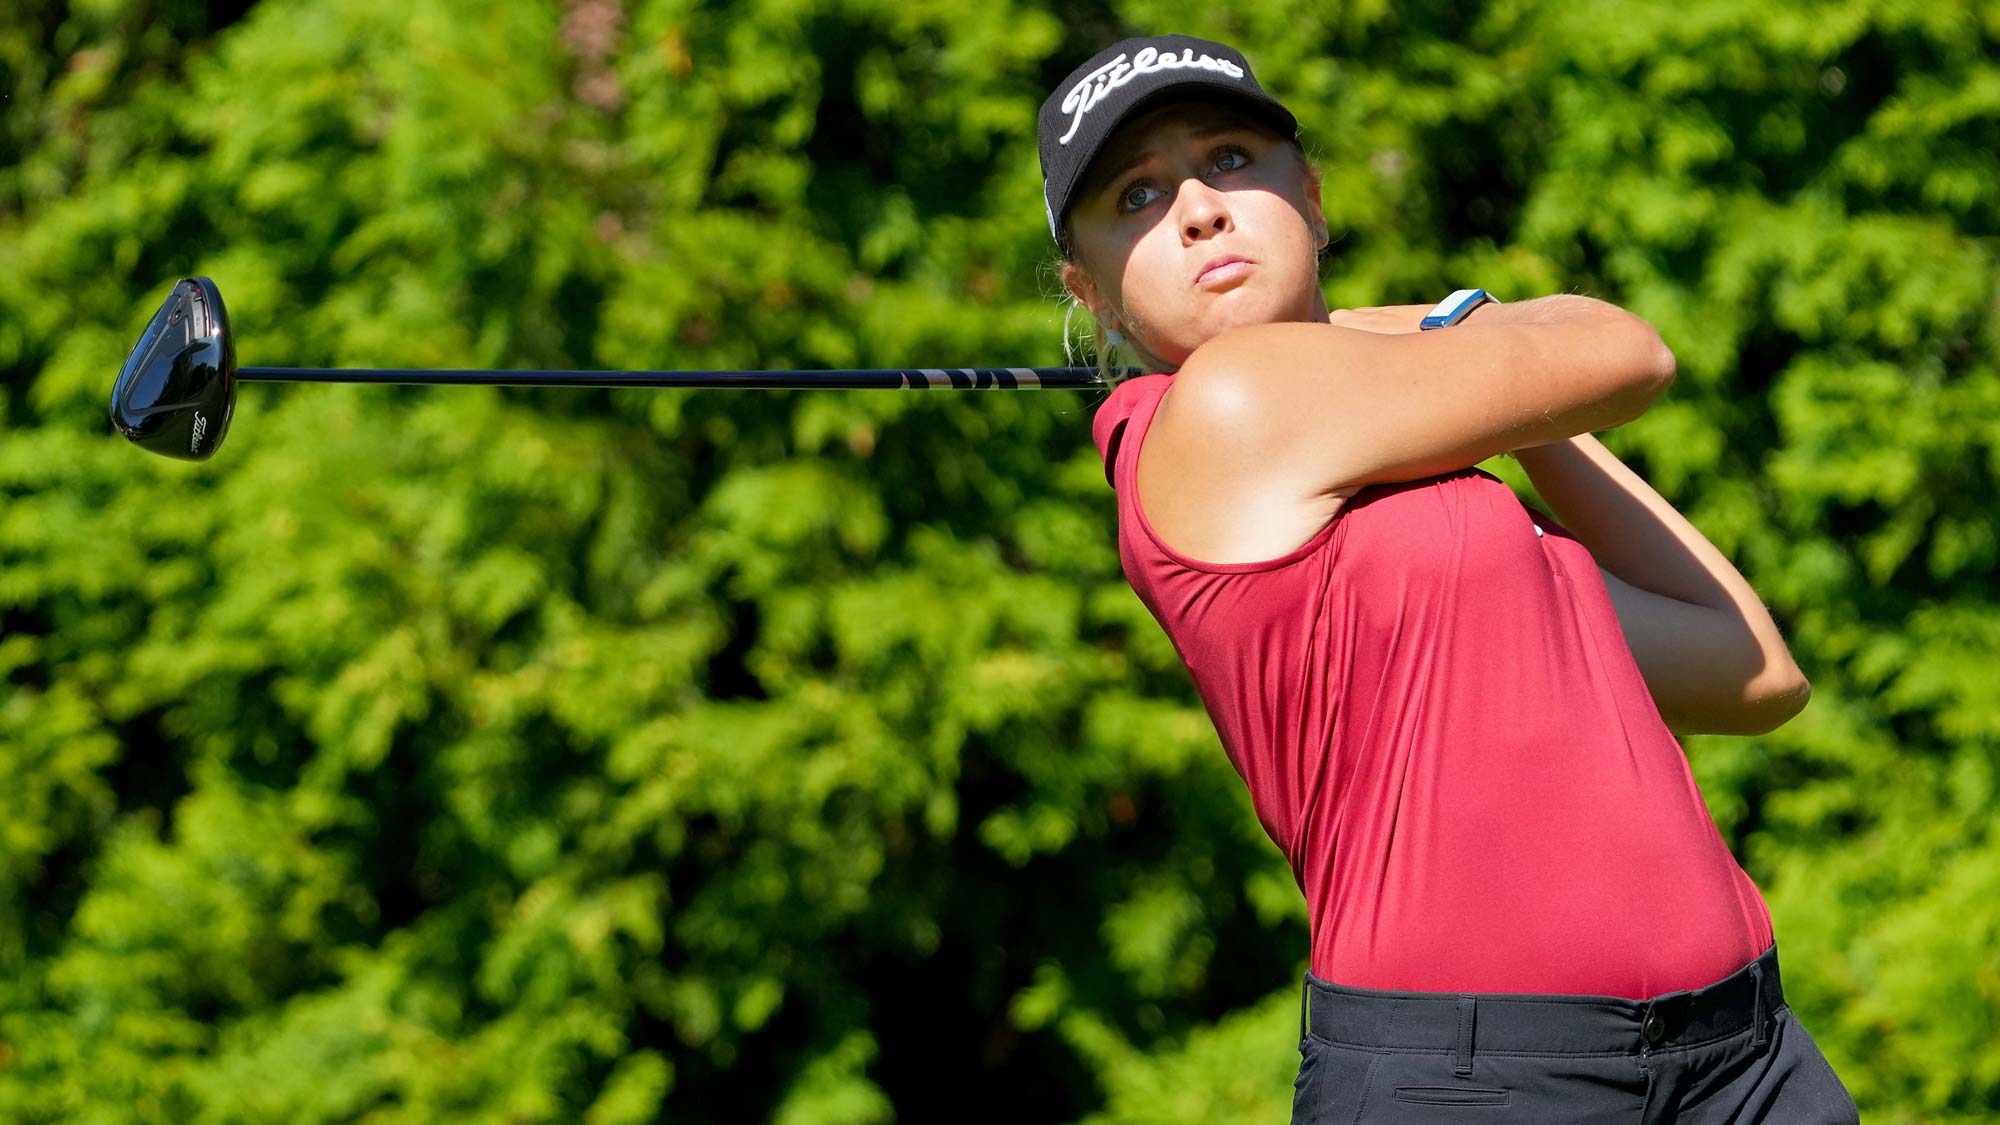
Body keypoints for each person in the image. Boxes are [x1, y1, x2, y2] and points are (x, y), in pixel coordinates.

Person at [1037, 34, 1860, 1123]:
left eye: (1231, 160)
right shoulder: (1223, 407)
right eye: (1136, 194)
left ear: (1313, 201)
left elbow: (1747, 669)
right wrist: (1453, 326)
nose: (1197, 208)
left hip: (1744, 1058)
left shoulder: (1438, 503)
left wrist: (1491, 401)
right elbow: (1622, 352)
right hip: (1477, 1082)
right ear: (1088, 292)